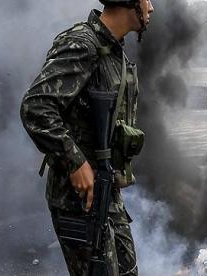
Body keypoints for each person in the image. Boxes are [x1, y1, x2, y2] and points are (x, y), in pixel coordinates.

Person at [20, 0, 153, 275]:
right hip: (78, 199)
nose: (151, 7)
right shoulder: (82, 45)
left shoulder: (114, 51)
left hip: (106, 191)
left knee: (128, 270)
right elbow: (35, 107)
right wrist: (75, 162)